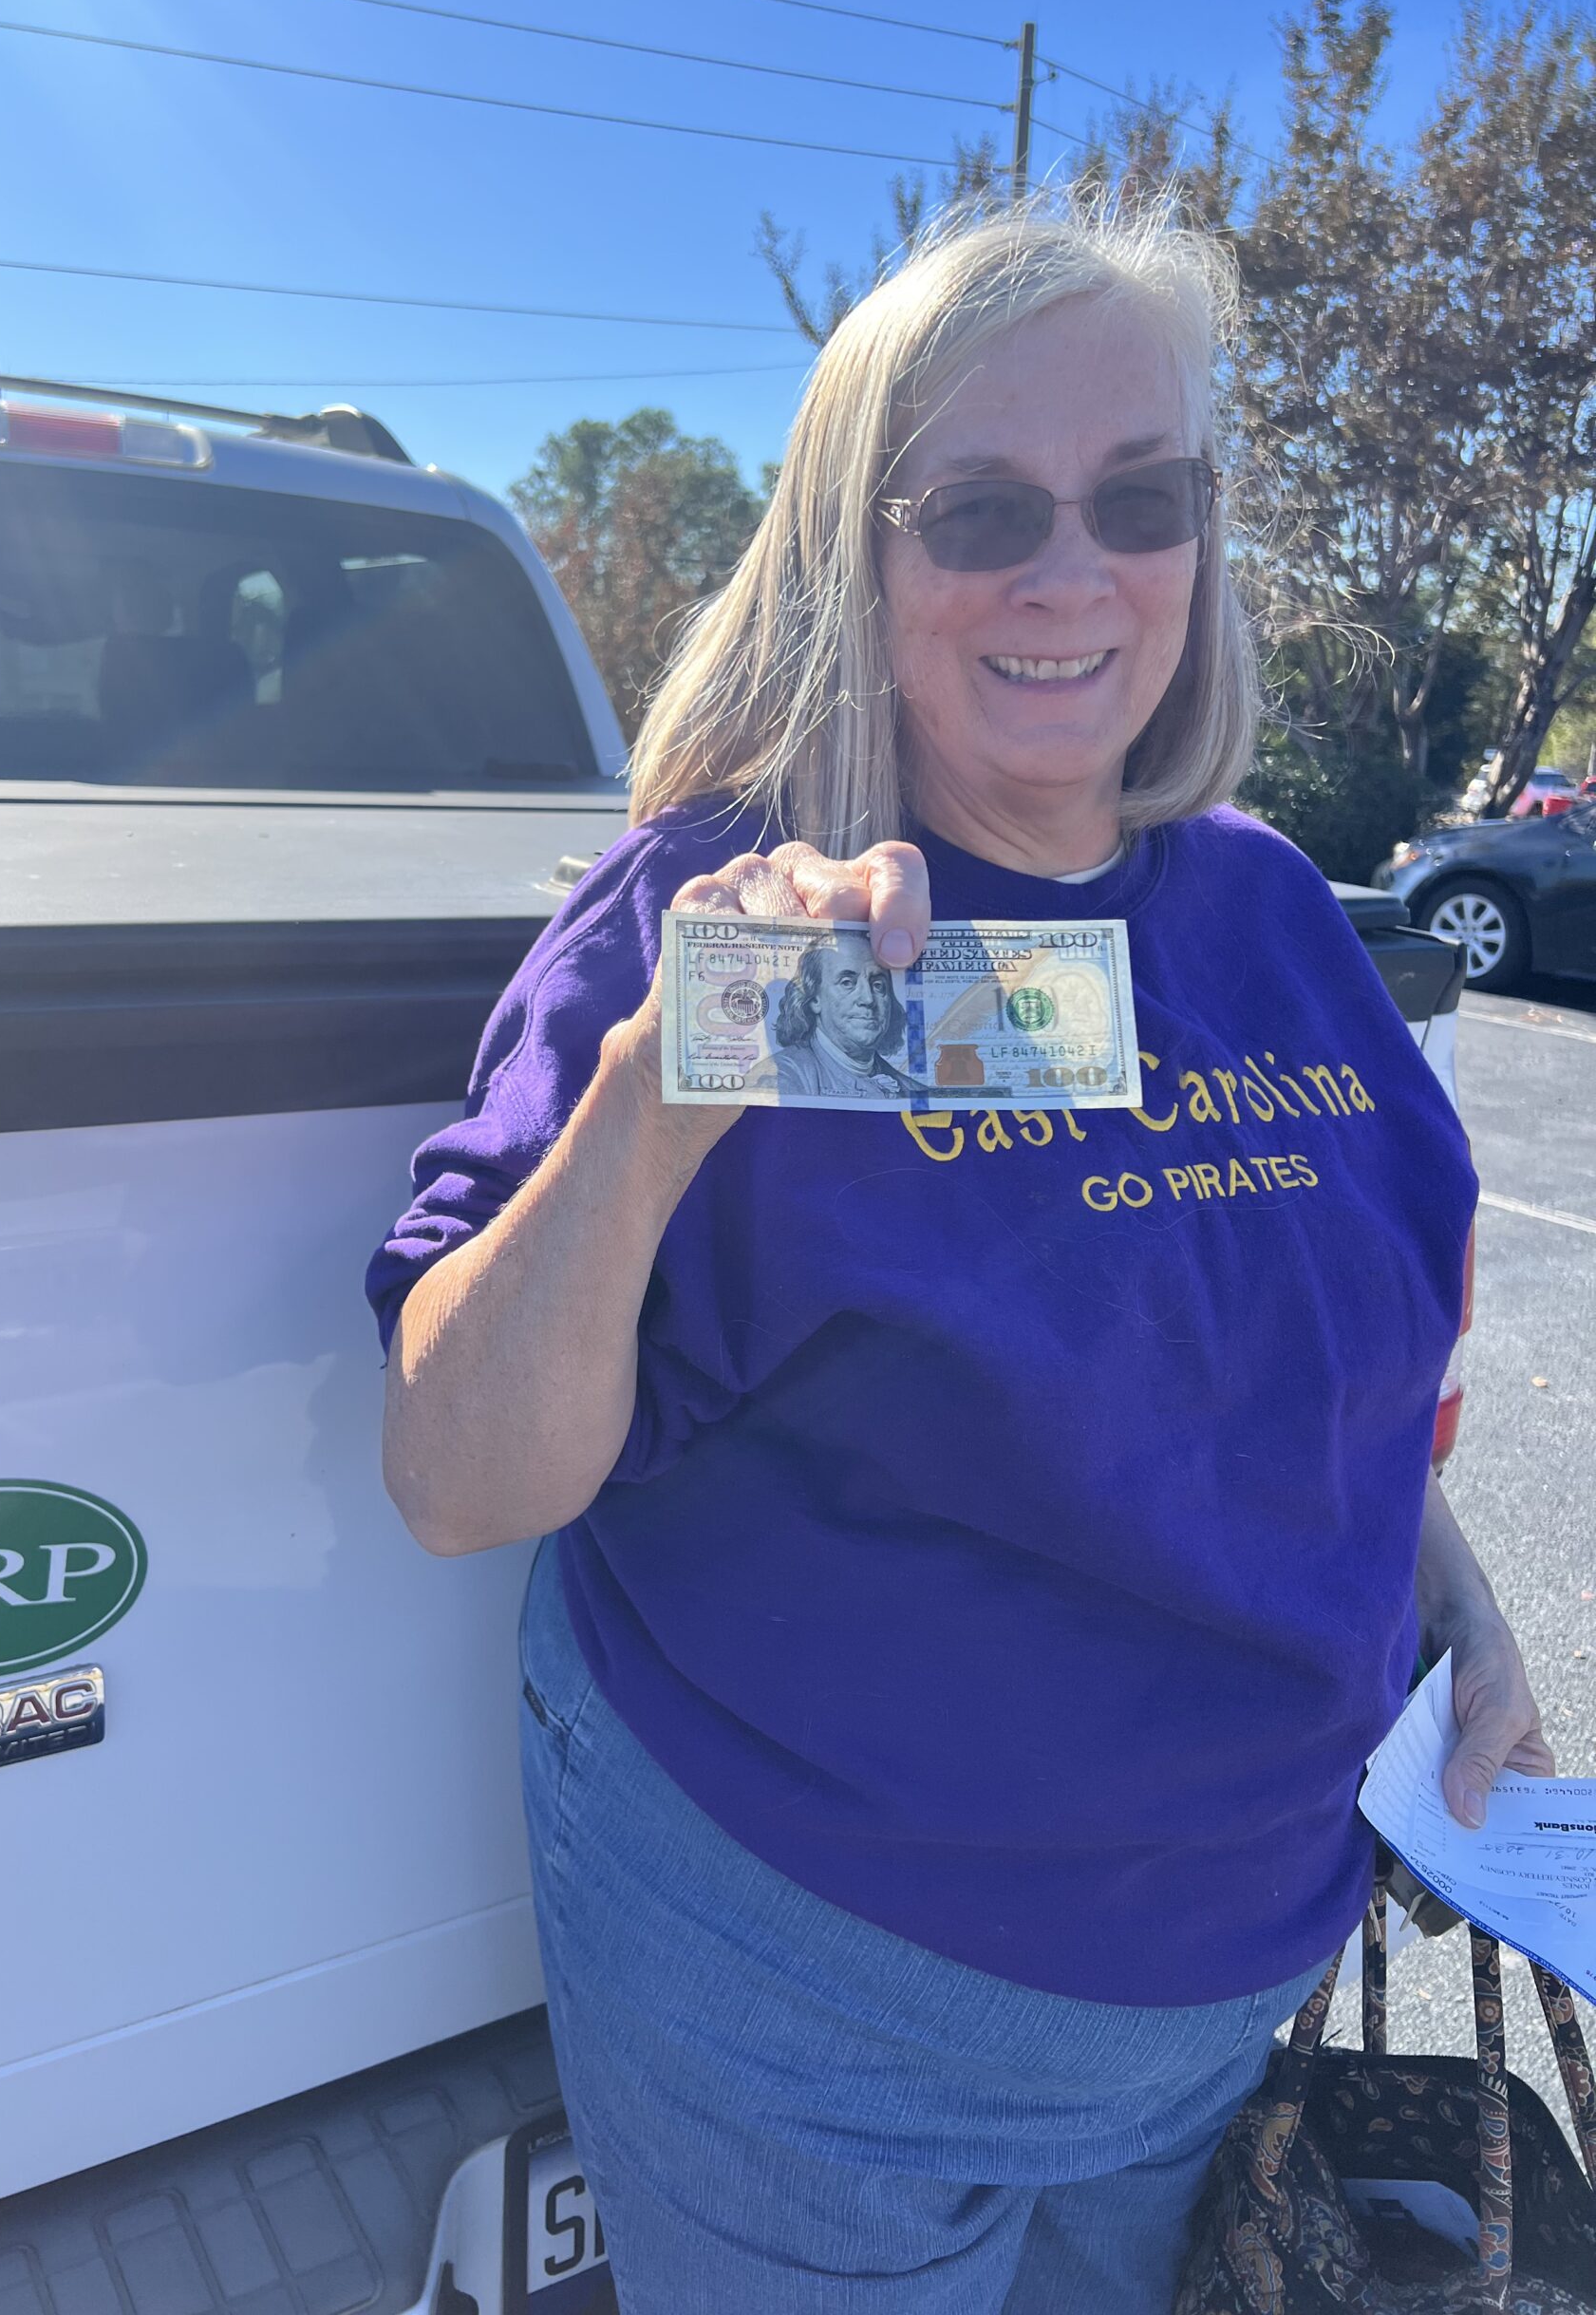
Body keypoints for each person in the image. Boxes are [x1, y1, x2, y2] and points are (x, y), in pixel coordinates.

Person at [367, 201, 1550, 2314]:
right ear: (855, 553)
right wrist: (663, 1085)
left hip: (1218, 2016)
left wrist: (1454, 1605)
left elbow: (1316, 1365)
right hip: (819, 2028)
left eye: (1143, 498)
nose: (1073, 573)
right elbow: (461, 1476)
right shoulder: (717, 920)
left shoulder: (1268, 910)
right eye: (984, 509)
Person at [763, 935, 915, 1100]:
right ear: (814, 999)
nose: (868, 999)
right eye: (847, 983)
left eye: (878, 985)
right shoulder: (780, 1079)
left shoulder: (913, 1091)